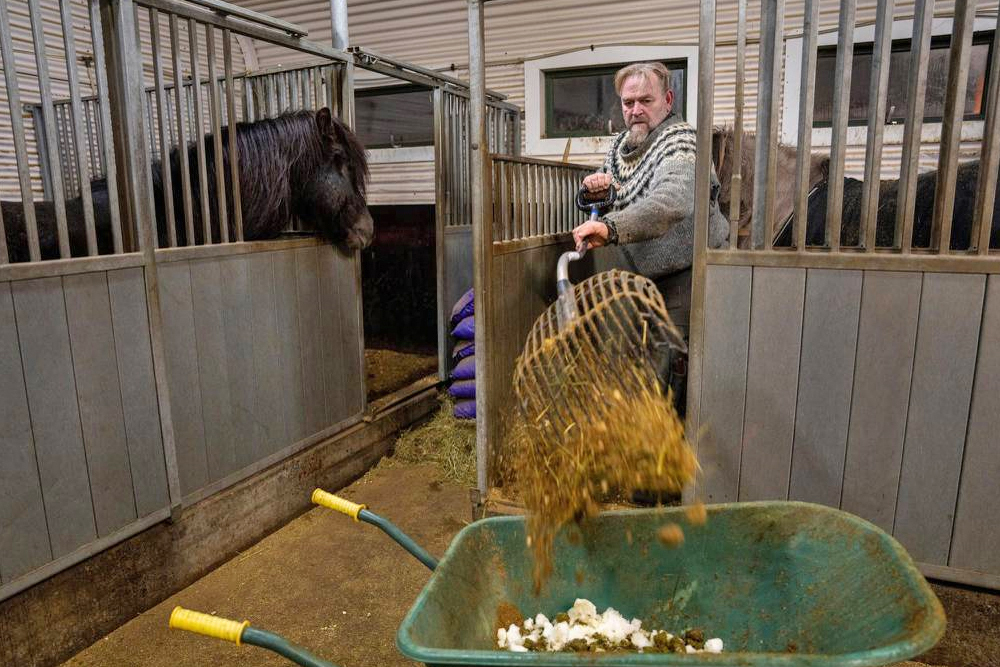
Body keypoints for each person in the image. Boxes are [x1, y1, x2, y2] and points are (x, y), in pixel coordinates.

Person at [571, 61, 729, 419]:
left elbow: (671, 200)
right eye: (628, 103)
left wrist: (611, 228)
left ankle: (672, 454)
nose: (635, 110)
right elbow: (610, 194)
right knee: (640, 364)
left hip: (688, 275)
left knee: (672, 366)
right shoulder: (620, 146)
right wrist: (593, 193)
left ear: (668, 100)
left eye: (646, 100)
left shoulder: (681, 141)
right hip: (643, 278)